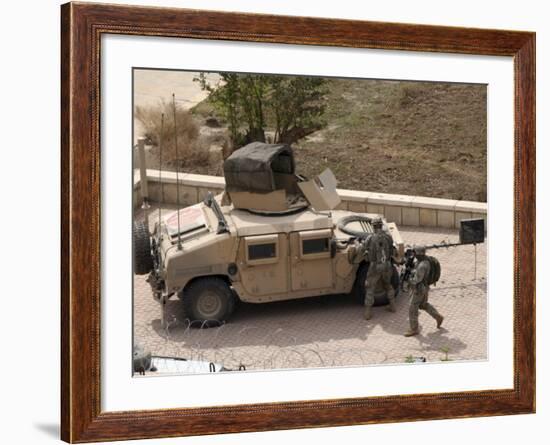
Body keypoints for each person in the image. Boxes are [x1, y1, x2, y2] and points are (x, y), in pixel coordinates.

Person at [404, 245, 444, 336]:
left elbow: (416, 280)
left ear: (419, 254)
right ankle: (438, 317)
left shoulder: (422, 265)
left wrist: (408, 280)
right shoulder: (425, 260)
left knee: (412, 308)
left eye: (415, 253)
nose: (414, 254)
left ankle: (414, 329)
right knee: (423, 305)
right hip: (424, 288)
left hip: (419, 289)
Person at [363, 217, 396, 320]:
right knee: (387, 284)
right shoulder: (388, 237)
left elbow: (363, 250)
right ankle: (393, 306)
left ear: (373, 226)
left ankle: (368, 313)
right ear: (381, 226)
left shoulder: (370, 238)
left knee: (370, 287)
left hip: (375, 266)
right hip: (387, 264)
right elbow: (391, 251)